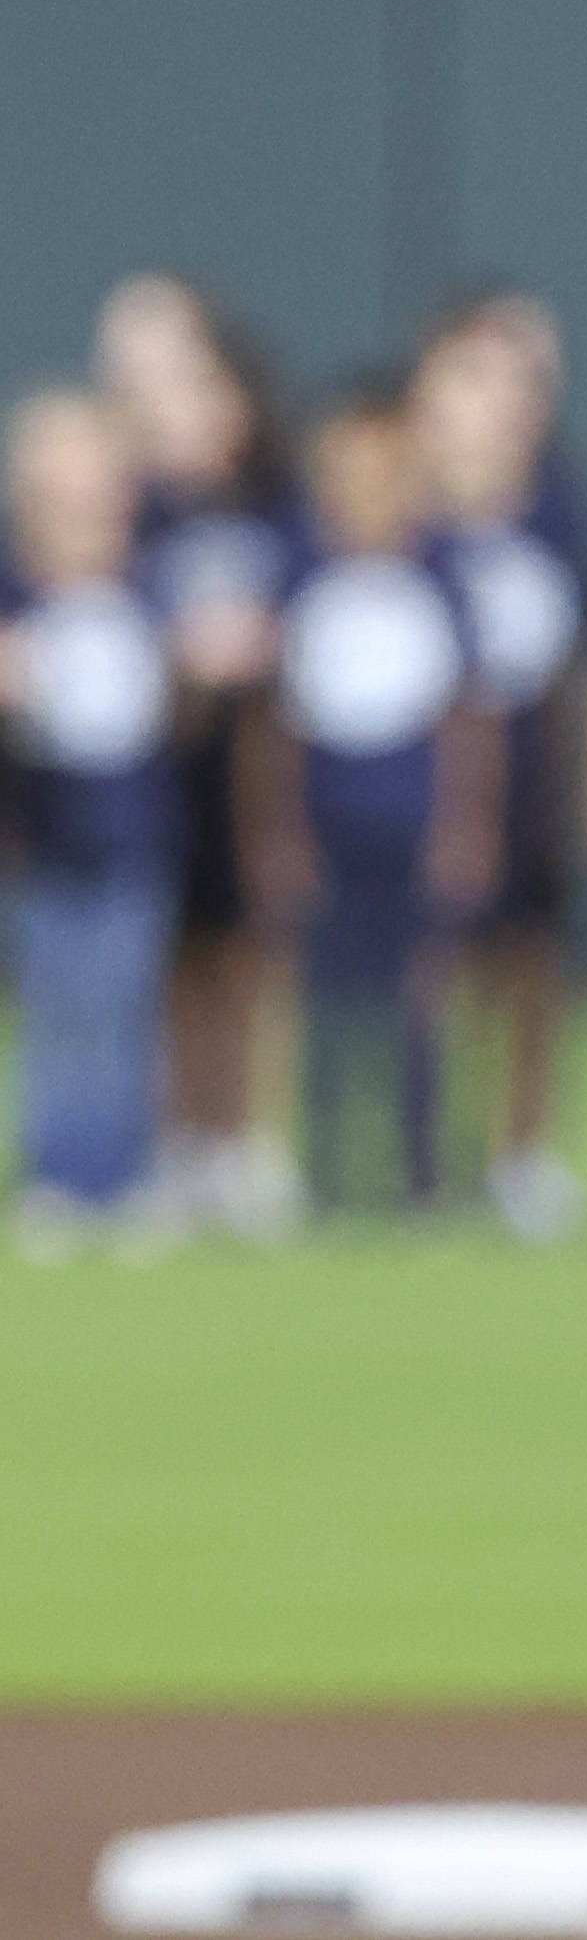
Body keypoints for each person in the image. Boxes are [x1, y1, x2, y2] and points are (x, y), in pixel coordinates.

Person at [99, 273, 301, 1243]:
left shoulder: (274, 506)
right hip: (154, 765)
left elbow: (318, 607)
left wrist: (263, 637)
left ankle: (243, 1139)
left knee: (249, 956)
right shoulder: (135, 513)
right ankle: (172, 1142)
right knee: (165, 963)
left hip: (256, 766)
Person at [268, 383, 499, 1218]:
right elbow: (278, 724)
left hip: (414, 825)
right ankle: (328, 1166)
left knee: (422, 1003)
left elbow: (468, 718)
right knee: (329, 1002)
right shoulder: (299, 567)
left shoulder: (441, 572)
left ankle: (423, 1166)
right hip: (331, 827)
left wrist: (465, 823)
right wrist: (282, 832)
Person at [418, 303, 587, 1244]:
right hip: (426, 776)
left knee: (530, 964)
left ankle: (523, 1151)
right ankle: (428, 1144)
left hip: (532, 766)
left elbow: (577, 653)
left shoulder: (559, 504)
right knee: (433, 962)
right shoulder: (410, 513)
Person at [6, 387, 179, 1252]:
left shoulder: (149, 579)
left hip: (132, 839)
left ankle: (127, 1169)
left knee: (125, 1005)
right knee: (57, 1009)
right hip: (43, 844)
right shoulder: (13, 588)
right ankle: (59, 1170)